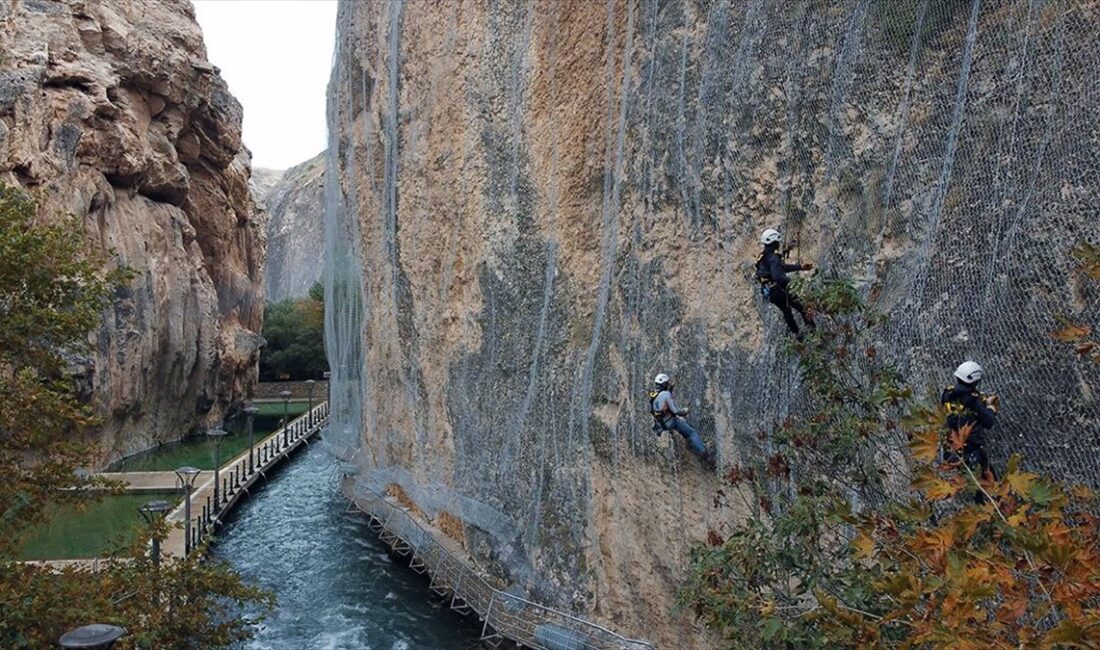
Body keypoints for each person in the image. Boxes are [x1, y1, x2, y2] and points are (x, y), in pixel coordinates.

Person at [941, 361, 998, 485]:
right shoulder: (973, 400)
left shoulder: (948, 393)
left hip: (951, 446)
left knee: (963, 481)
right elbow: (988, 422)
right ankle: (987, 501)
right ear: (976, 381)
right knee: (989, 481)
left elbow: (963, 406)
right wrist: (990, 408)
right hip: (970, 449)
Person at [755, 228, 815, 339]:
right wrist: (794, 282)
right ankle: (813, 332)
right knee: (802, 307)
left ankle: (798, 334)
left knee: (786, 310)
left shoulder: (764, 256)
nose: (779, 244)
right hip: (777, 289)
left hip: (768, 291)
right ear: (775, 242)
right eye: (778, 242)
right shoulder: (773, 258)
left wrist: (800, 267)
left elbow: (780, 268)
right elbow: (778, 276)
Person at [649, 373, 715, 468]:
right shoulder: (666, 394)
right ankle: (705, 454)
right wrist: (685, 411)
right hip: (670, 422)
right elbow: (675, 411)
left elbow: (660, 403)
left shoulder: (653, 393)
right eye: (666, 383)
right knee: (692, 433)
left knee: (681, 427)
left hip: (660, 424)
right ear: (664, 384)